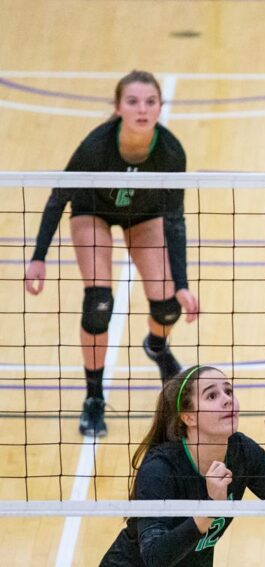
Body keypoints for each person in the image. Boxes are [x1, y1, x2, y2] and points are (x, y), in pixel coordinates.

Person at [23, 70, 199, 438]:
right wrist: (38, 257)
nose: (142, 109)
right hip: (94, 212)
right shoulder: (96, 146)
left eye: (150, 102)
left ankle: (156, 345)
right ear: (118, 107)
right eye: (133, 101)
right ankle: (94, 398)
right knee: (99, 302)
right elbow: (59, 196)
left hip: (144, 215)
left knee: (168, 306)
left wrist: (182, 284)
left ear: (160, 107)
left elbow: (175, 219)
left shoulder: (170, 152)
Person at [100, 365, 265, 567]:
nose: (227, 400)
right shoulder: (160, 469)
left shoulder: (241, 452)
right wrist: (210, 508)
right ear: (189, 418)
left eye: (229, 392)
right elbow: (155, 558)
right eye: (212, 395)